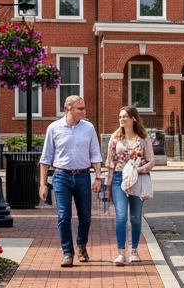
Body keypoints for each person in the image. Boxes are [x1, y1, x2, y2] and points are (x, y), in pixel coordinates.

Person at [39, 95, 104, 268]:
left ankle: (81, 244)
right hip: (61, 176)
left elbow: (95, 154)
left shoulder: (89, 128)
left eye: (84, 108)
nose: (84, 111)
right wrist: (43, 183)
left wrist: (98, 177)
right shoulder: (54, 128)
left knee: (85, 216)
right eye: (80, 108)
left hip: (83, 176)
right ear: (68, 108)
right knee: (63, 215)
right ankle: (67, 252)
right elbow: (46, 158)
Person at [106, 106, 155, 266]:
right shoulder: (115, 138)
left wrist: (139, 170)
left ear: (133, 118)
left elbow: (151, 160)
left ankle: (134, 251)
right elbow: (110, 162)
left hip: (138, 178)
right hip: (119, 178)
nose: (121, 119)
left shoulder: (143, 138)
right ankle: (121, 253)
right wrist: (108, 184)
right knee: (121, 216)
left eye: (125, 116)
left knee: (135, 216)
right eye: (120, 117)